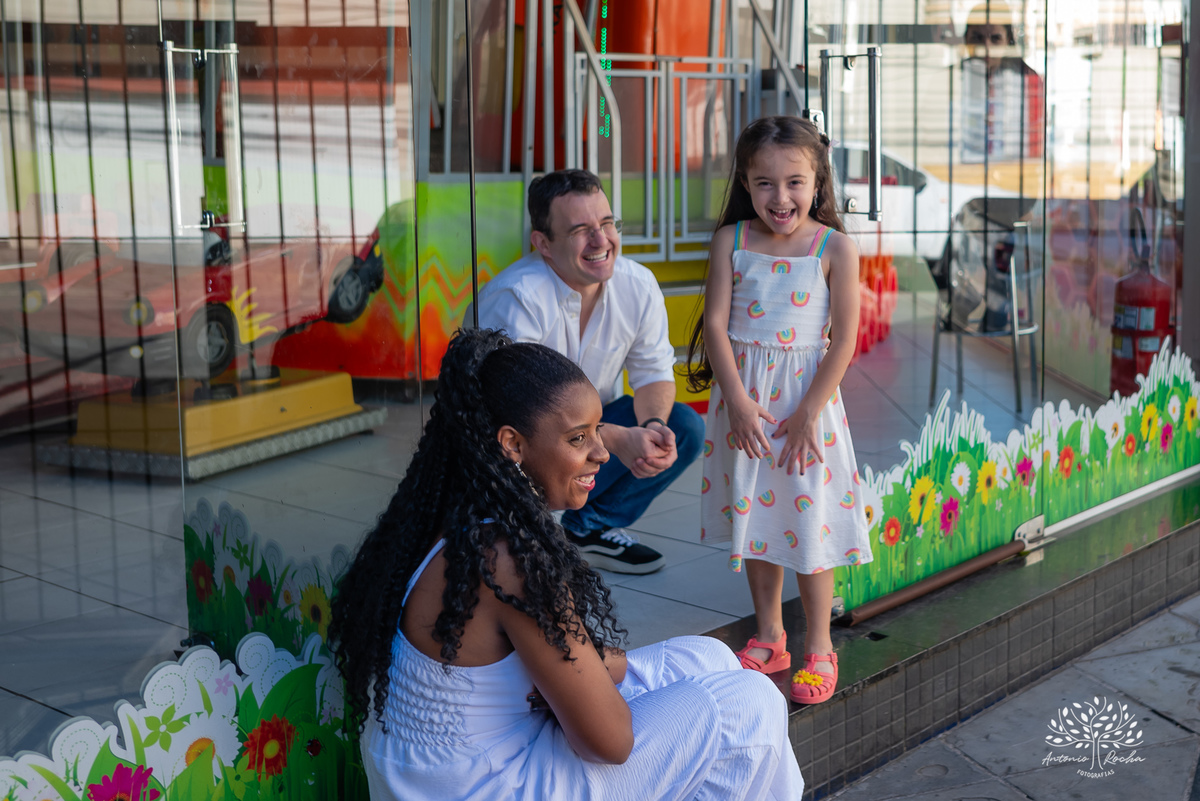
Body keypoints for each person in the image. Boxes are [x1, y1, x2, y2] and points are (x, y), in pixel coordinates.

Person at [330, 328, 804, 801]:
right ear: (512, 445)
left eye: (598, 430)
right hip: (485, 786)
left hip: (444, 772)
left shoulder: (444, 519)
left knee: (712, 658)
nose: (601, 452)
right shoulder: (506, 557)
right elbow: (611, 743)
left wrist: (583, 674)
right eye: (578, 438)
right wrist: (583, 679)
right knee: (752, 703)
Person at [686, 116, 873, 705]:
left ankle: (818, 643)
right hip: (747, 407)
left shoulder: (835, 247)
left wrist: (809, 412)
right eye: (764, 183)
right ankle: (770, 635)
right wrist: (737, 402)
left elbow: (844, 339)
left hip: (805, 409)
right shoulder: (732, 241)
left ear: (818, 182)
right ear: (745, 182)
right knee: (759, 523)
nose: (780, 197)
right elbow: (715, 325)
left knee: (810, 521)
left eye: (795, 181)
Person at [475, 169, 704, 575]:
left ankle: (583, 530)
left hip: (579, 432)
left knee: (682, 427)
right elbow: (522, 415)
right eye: (582, 230)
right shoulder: (517, 298)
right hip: (512, 443)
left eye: (607, 223)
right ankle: (536, 531)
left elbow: (653, 373)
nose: (602, 241)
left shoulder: (638, 284)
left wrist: (650, 426)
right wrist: (615, 440)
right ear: (543, 243)